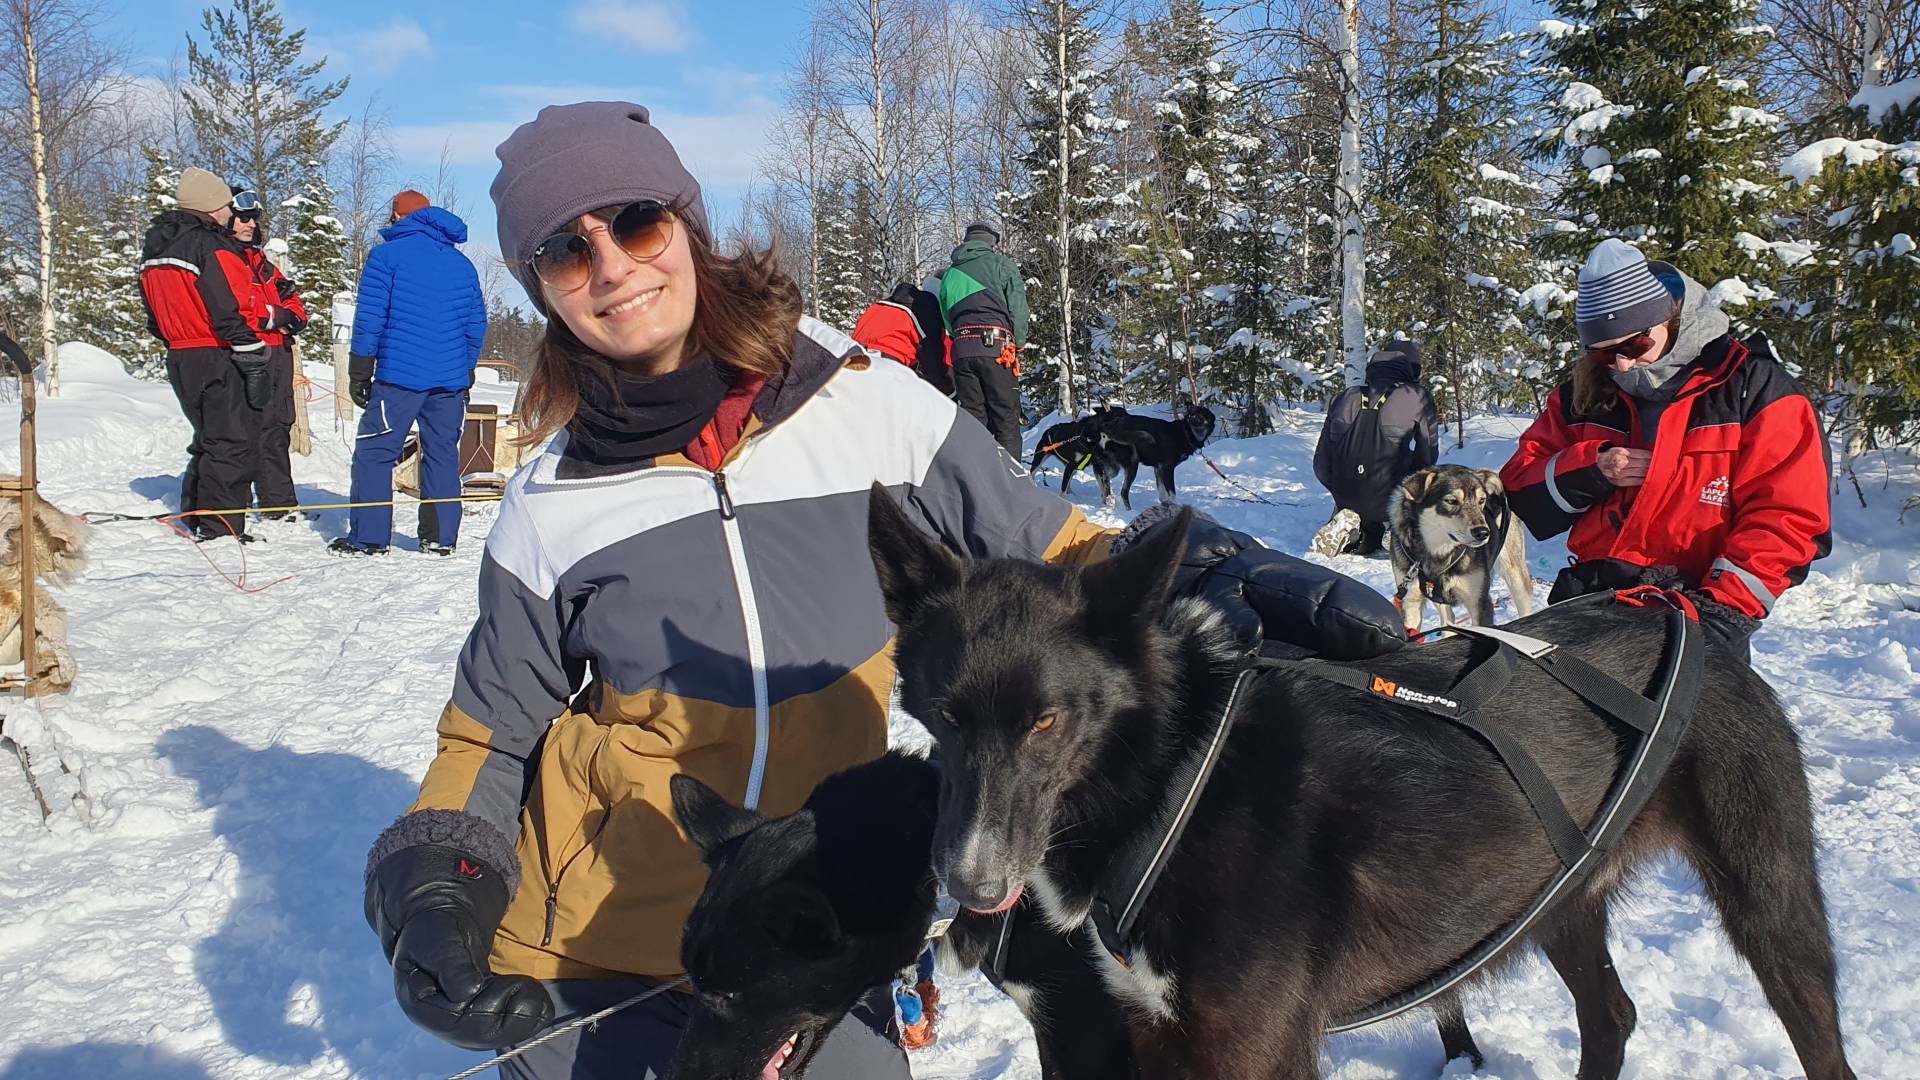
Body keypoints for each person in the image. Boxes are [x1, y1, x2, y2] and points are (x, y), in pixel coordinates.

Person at [356, 100, 1392, 1080]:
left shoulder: (868, 406)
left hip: (824, 923)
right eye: (566, 249)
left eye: (634, 222)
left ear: (687, 225)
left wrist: (1211, 568)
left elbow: (1059, 548)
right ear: (540, 286)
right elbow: (490, 732)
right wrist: (440, 881)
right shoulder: (552, 504)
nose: (614, 267)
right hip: (606, 948)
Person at [1500, 239, 1831, 660]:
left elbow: (1789, 517)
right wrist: (1591, 468)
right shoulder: (1581, 396)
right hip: (1590, 604)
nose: (1621, 365)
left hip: (1698, 610)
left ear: (1669, 320)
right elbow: (1518, 486)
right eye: (1603, 354)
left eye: (1633, 346)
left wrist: (1722, 611)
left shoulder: (1753, 388)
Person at [333, 190, 488, 556]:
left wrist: (360, 369)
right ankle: (440, 538)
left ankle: (370, 538)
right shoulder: (461, 264)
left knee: (375, 453)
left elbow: (371, 317)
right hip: (449, 383)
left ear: (399, 216)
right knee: (442, 455)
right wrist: (466, 369)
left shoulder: (386, 257)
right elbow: (476, 324)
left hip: (398, 379)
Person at [138, 166, 270, 543]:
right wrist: (252, 352)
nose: (231, 213)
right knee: (231, 442)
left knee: (208, 439)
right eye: (227, 205)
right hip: (217, 351)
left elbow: (152, 313)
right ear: (212, 206)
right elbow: (227, 305)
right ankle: (221, 528)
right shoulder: (210, 245)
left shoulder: (156, 248)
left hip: (181, 355)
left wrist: (175, 338)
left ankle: (195, 514)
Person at [1311, 341, 1439, 556]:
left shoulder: (1345, 396)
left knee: (1362, 506)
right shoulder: (1417, 397)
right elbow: (1428, 457)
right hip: (1391, 496)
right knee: (1430, 479)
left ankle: (1355, 526)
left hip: (1345, 493)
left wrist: (1340, 491)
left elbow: (1321, 464)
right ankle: (1398, 527)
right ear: (1412, 369)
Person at [228, 186, 310, 521]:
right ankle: (235, 503)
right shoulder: (224, 259)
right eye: (242, 218)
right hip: (246, 353)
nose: (250, 224)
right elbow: (239, 309)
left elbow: (295, 304)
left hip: (278, 355)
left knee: (277, 427)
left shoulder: (262, 264)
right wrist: (276, 316)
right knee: (243, 429)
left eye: (253, 218)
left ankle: (279, 503)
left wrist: (288, 316)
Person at [938, 220, 1029, 460]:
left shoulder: (950, 274)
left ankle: (977, 476)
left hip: (962, 349)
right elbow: (1018, 309)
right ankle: (1010, 479)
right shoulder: (1001, 264)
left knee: (974, 420)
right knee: (1006, 418)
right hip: (997, 348)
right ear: (991, 242)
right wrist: (1018, 343)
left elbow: (947, 318)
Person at [849, 280, 951, 394]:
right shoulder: (926, 309)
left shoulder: (878, 306)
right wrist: (950, 393)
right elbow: (932, 362)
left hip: (854, 361)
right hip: (888, 367)